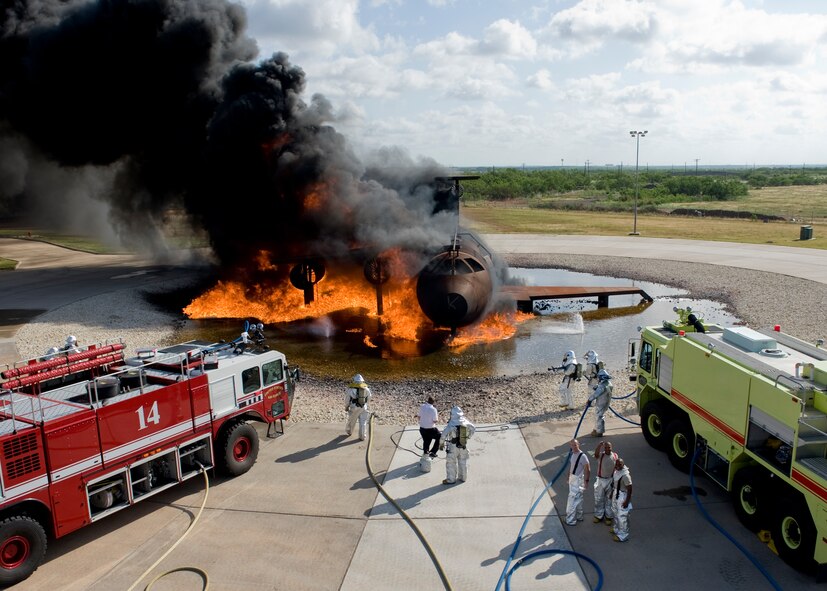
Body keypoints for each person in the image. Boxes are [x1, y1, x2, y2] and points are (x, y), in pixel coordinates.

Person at [440, 406, 476, 484]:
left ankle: (451, 479)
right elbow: (473, 428)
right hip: (463, 444)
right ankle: (463, 477)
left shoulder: (451, 424)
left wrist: (441, 445)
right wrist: (468, 436)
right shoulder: (465, 421)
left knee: (451, 463)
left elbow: (443, 435)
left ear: (452, 415)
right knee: (463, 461)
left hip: (453, 446)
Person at [565, 439, 590, 525]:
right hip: (573, 479)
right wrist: (568, 476)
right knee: (579, 498)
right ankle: (579, 516)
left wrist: (586, 481)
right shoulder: (573, 454)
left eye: (575, 445)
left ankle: (570, 520)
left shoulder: (582, 456)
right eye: (572, 445)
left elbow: (588, 469)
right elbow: (571, 466)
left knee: (572, 500)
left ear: (578, 445)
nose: (573, 447)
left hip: (577, 480)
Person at [592, 440, 618, 524]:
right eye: (606, 447)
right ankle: (598, 516)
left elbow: (618, 467)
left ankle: (608, 517)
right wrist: (599, 445)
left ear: (611, 447)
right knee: (599, 499)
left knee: (609, 499)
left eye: (609, 447)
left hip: (610, 480)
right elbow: (595, 454)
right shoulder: (601, 455)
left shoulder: (615, 455)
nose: (607, 449)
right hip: (600, 480)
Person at [611, 457, 633, 542]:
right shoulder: (616, 471)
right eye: (616, 464)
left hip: (623, 495)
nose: (617, 466)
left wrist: (626, 501)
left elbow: (630, 489)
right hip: (616, 493)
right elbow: (615, 483)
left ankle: (623, 535)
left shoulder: (625, 475)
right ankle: (616, 529)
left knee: (622, 516)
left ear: (623, 465)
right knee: (615, 512)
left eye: (620, 464)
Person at [345, 373, 372, 441]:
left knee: (352, 420)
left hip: (354, 407)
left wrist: (346, 406)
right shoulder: (366, 389)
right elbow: (369, 398)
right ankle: (362, 436)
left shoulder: (350, 389)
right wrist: (366, 405)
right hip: (363, 406)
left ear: (354, 380)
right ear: (362, 381)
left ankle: (349, 432)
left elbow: (347, 399)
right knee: (363, 422)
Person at [587, 369, 613, 437]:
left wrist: (589, 400)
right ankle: (596, 429)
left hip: (601, 402)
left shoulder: (602, 386)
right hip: (606, 402)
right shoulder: (608, 383)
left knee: (599, 416)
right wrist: (597, 387)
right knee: (598, 415)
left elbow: (596, 394)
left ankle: (599, 431)